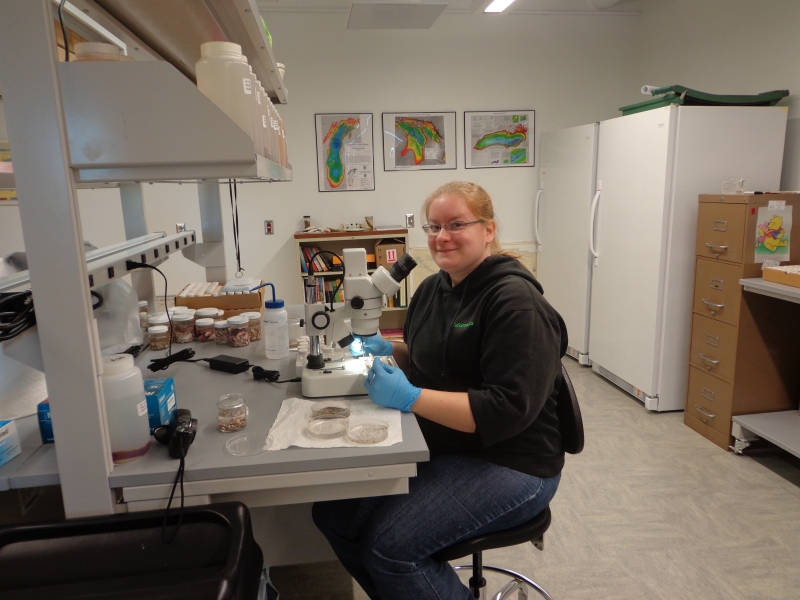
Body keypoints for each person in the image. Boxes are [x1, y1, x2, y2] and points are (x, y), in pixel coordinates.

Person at [312, 181, 568, 600]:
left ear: (489, 230)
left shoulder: (515, 302)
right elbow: (441, 358)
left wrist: (410, 397)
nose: (441, 237)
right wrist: (392, 349)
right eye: (433, 227)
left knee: (392, 548)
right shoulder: (434, 288)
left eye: (456, 224)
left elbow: (505, 409)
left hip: (513, 461)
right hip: (446, 442)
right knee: (334, 515)